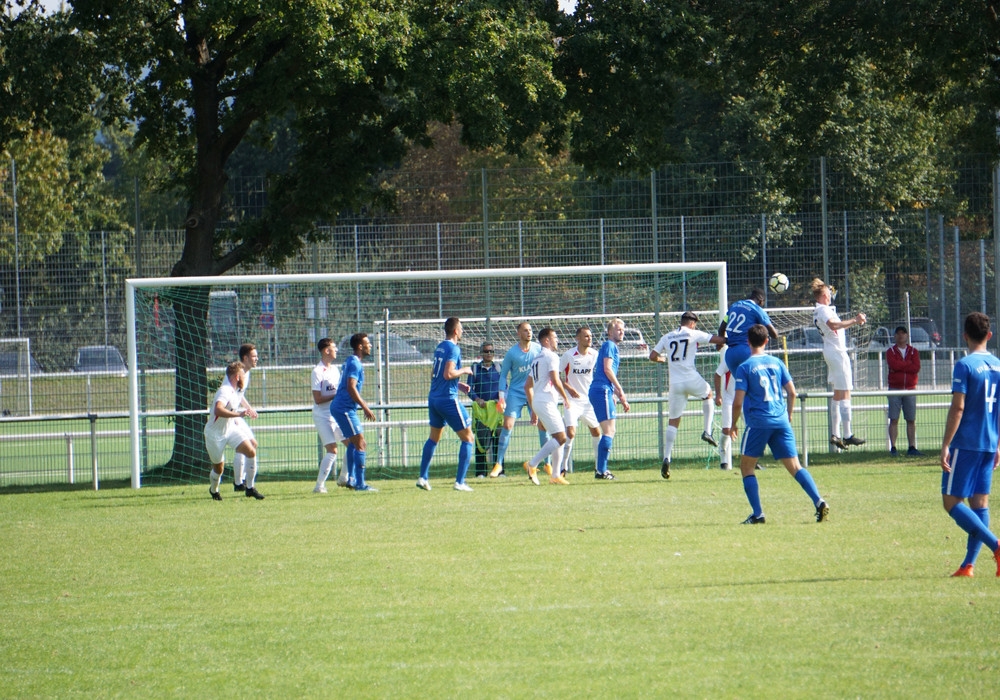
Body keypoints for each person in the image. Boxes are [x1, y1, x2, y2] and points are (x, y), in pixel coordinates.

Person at [732, 324, 829, 524]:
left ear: (748, 342)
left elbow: (738, 401)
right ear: (767, 341)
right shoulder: (777, 363)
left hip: (759, 422)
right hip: (781, 420)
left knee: (746, 467)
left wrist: (733, 424)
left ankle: (758, 514)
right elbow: (792, 392)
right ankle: (819, 500)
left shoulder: (745, 367)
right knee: (795, 466)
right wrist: (789, 415)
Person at [939, 312, 1000, 578]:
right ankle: (968, 566)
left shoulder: (964, 365)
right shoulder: (998, 366)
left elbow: (958, 407)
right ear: (989, 335)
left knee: (951, 501)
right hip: (989, 443)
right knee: (980, 503)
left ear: (964, 335)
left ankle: (997, 546)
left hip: (966, 443)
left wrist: (945, 445)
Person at [649, 311, 726, 479]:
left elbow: (653, 356)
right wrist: (729, 339)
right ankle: (707, 431)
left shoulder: (667, 336)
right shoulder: (693, 333)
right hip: (691, 378)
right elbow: (718, 340)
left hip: (675, 384)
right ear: (692, 323)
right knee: (708, 394)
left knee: (673, 421)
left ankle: (667, 457)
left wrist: (665, 360)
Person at [416, 317, 476, 492]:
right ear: (456, 331)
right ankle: (460, 482)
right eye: (461, 328)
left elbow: (437, 375)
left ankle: (422, 477)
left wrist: (459, 384)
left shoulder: (440, 347)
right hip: (447, 400)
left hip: (434, 398)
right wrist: (464, 370)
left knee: (433, 438)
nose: (463, 331)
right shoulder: (453, 348)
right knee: (469, 438)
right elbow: (448, 374)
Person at [811, 278, 867, 449]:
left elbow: (835, 326)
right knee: (845, 392)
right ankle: (848, 434)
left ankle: (835, 434)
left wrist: (852, 322)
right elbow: (833, 324)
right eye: (828, 293)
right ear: (823, 296)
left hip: (831, 350)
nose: (830, 295)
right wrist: (855, 320)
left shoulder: (821, 310)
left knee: (838, 393)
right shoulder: (823, 310)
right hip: (836, 353)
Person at [490, 322, 544, 478]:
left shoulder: (538, 349)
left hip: (534, 392)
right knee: (507, 425)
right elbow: (503, 375)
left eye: (530, 330)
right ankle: (498, 464)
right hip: (516, 393)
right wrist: (502, 398)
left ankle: (547, 463)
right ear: (518, 334)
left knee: (542, 424)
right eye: (525, 331)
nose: (529, 333)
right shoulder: (512, 353)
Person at [205, 361, 263, 500]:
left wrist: (248, 410)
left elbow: (236, 404)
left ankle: (249, 488)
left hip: (230, 429)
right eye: (243, 375)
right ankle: (214, 490)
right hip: (215, 434)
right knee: (219, 469)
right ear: (237, 377)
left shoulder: (237, 391)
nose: (245, 377)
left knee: (251, 450)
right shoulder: (225, 391)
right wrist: (238, 414)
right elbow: (218, 409)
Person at [523, 328, 572, 485]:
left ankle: (556, 475)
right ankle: (532, 464)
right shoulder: (551, 356)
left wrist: (533, 409)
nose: (557, 340)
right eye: (555, 337)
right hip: (545, 401)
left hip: (541, 401)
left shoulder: (537, 358)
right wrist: (565, 397)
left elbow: (527, 386)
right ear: (546, 341)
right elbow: (555, 379)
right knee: (561, 437)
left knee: (558, 437)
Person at [330, 333, 378, 492]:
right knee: (361, 443)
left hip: (342, 407)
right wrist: (365, 406)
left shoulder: (351, 361)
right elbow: (351, 386)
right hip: (344, 408)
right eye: (367, 343)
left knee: (354, 442)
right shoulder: (355, 364)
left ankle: (351, 478)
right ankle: (360, 484)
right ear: (360, 346)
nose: (370, 345)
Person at [589, 318, 631, 480]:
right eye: (618, 329)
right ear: (610, 332)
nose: (622, 332)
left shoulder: (612, 347)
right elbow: (607, 369)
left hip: (603, 390)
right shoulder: (609, 345)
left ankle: (601, 469)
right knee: (609, 431)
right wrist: (620, 390)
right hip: (602, 390)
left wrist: (614, 393)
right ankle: (601, 470)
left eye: (623, 330)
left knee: (609, 430)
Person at [558, 326, 602, 476]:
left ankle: (598, 467)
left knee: (597, 431)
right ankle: (563, 467)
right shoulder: (569, 355)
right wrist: (568, 388)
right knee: (570, 432)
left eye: (590, 336)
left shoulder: (595, 354)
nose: (589, 339)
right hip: (572, 401)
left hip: (588, 401)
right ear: (578, 338)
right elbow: (556, 377)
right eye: (586, 336)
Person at [311, 338, 349, 493]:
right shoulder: (317, 371)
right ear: (326, 351)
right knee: (332, 451)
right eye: (334, 348)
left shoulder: (335, 370)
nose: (336, 350)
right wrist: (337, 394)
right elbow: (318, 399)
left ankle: (344, 478)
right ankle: (319, 486)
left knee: (353, 444)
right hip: (322, 416)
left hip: (336, 414)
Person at [465, 342, 503, 478]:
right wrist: (477, 399)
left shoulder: (499, 368)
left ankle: (499, 470)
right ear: (481, 353)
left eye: (491, 351)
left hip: (497, 410)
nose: (489, 354)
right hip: (481, 411)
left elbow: (505, 386)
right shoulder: (474, 369)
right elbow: (468, 389)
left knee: (498, 439)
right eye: (486, 351)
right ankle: (480, 472)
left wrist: (501, 398)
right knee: (481, 440)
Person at [719, 289, 777, 375]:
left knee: (741, 385)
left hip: (730, 354)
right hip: (746, 351)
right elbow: (774, 334)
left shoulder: (734, 306)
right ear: (761, 300)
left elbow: (721, 328)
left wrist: (720, 343)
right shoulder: (757, 309)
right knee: (759, 383)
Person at [886, 326, 923, 457]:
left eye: (903, 333)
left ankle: (912, 447)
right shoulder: (890, 351)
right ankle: (894, 448)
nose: (901, 336)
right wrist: (907, 365)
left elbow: (916, 367)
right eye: (898, 334)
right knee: (894, 418)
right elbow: (893, 365)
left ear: (907, 336)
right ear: (895, 336)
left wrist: (902, 366)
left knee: (911, 419)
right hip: (895, 388)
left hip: (910, 388)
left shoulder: (914, 351)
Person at [231, 343, 260, 492]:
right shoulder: (238, 374)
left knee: (251, 445)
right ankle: (240, 483)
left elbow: (239, 396)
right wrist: (234, 414)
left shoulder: (246, 372)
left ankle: (239, 482)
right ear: (245, 357)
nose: (257, 359)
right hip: (230, 416)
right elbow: (228, 396)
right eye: (254, 356)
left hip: (235, 414)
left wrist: (249, 408)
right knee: (247, 446)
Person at [713, 354, 735, 470]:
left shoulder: (751, 356)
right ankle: (724, 461)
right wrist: (718, 395)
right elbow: (717, 374)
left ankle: (752, 460)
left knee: (751, 429)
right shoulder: (730, 358)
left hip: (745, 398)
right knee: (726, 429)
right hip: (729, 398)